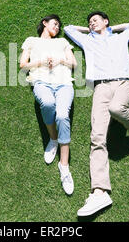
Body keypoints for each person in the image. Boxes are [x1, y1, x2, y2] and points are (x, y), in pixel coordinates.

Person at [64, 11, 129, 216]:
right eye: (89, 21)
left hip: (122, 82)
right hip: (101, 88)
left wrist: (109, 28)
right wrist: (90, 30)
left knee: (117, 108)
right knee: (97, 137)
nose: (91, 23)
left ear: (106, 21)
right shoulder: (86, 41)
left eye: (96, 20)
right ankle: (99, 192)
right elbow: (68, 29)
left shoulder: (120, 38)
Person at [20, 14, 78, 195]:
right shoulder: (31, 40)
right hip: (41, 82)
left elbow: (74, 63)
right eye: (55, 23)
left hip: (64, 84)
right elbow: (23, 65)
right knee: (47, 103)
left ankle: (64, 167)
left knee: (62, 115)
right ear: (44, 23)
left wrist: (60, 60)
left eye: (59, 26)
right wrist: (41, 62)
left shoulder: (61, 42)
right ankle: (53, 139)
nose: (58, 27)